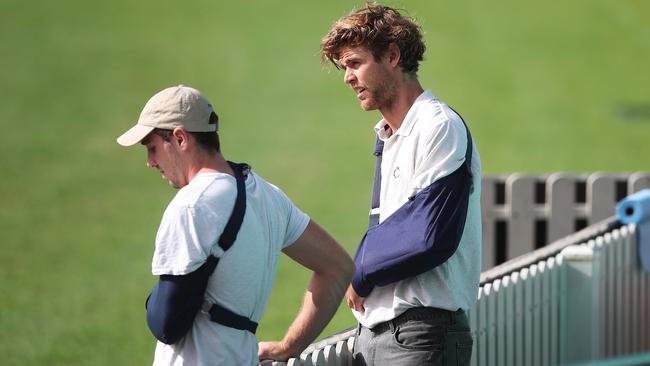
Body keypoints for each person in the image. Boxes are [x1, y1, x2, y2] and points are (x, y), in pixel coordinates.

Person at [116, 85, 354, 365]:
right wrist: (290, 346)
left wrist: (151, 302)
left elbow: (165, 324)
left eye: (153, 148)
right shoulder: (268, 196)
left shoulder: (191, 205)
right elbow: (339, 267)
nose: (150, 162)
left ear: (180, 138)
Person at [320, 4, 482, 365]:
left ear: (392, 56)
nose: (347, 77)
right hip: (380, 334)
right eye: (344, 67)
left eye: (355, 63)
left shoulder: (438, 126)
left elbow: (427, 236)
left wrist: (360, 271)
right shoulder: (390, 135)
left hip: (422, 335)